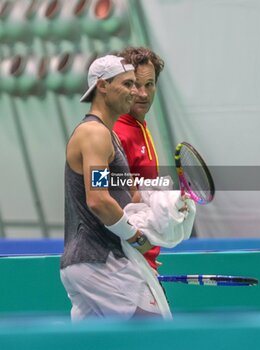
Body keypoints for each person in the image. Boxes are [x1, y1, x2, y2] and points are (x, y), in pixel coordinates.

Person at [60, 54, 164, 320]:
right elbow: (98, 199)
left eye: (138, 84)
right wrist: (137, 239)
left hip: (91, 262)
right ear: (102, 86)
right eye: (127, 83)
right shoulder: (94, 134)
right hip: (100, 260)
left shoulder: (108, 136)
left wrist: (169, 205)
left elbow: (128, 193)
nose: (135, 91)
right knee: (155, 336)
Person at [113, 47, 165, 271]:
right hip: (121, 260)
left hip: (140, 256)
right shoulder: (115, 132)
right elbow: (106, 198)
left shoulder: (140, 127)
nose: (143, 94)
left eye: (150, 84)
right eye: (135, 85)